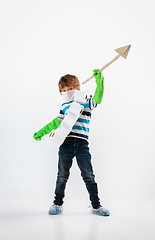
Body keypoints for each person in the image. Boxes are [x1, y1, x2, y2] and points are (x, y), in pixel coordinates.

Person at [33, 69, 110, 216]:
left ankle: (96, 206)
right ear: (61, 93)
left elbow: (98, 98)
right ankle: (57, 204)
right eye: (64, 90)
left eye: (70, 89)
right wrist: (42, 132)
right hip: (65, 144)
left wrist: (99, 81)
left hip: (82, 145)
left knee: (89, 176)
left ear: (78, 89)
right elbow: (55, 123)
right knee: (62, 176)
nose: (67, 92)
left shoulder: (86, 103)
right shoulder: (64, 106)